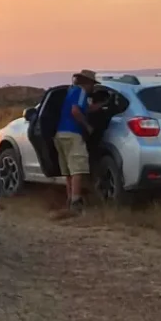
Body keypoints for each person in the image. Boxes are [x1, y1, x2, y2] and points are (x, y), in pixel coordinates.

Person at [53, 69, 98, 217]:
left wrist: (100, 105)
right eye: (92, 84)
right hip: (73, 133)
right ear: (88, 82)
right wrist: (87, 126)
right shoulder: (81, 92)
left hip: (60, 134)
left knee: (68, 172)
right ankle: (76, 203)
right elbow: (75, 111)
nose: (93, 87)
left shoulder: (71, 91)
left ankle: (69, 200)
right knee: (78, 169)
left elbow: (84, 108)